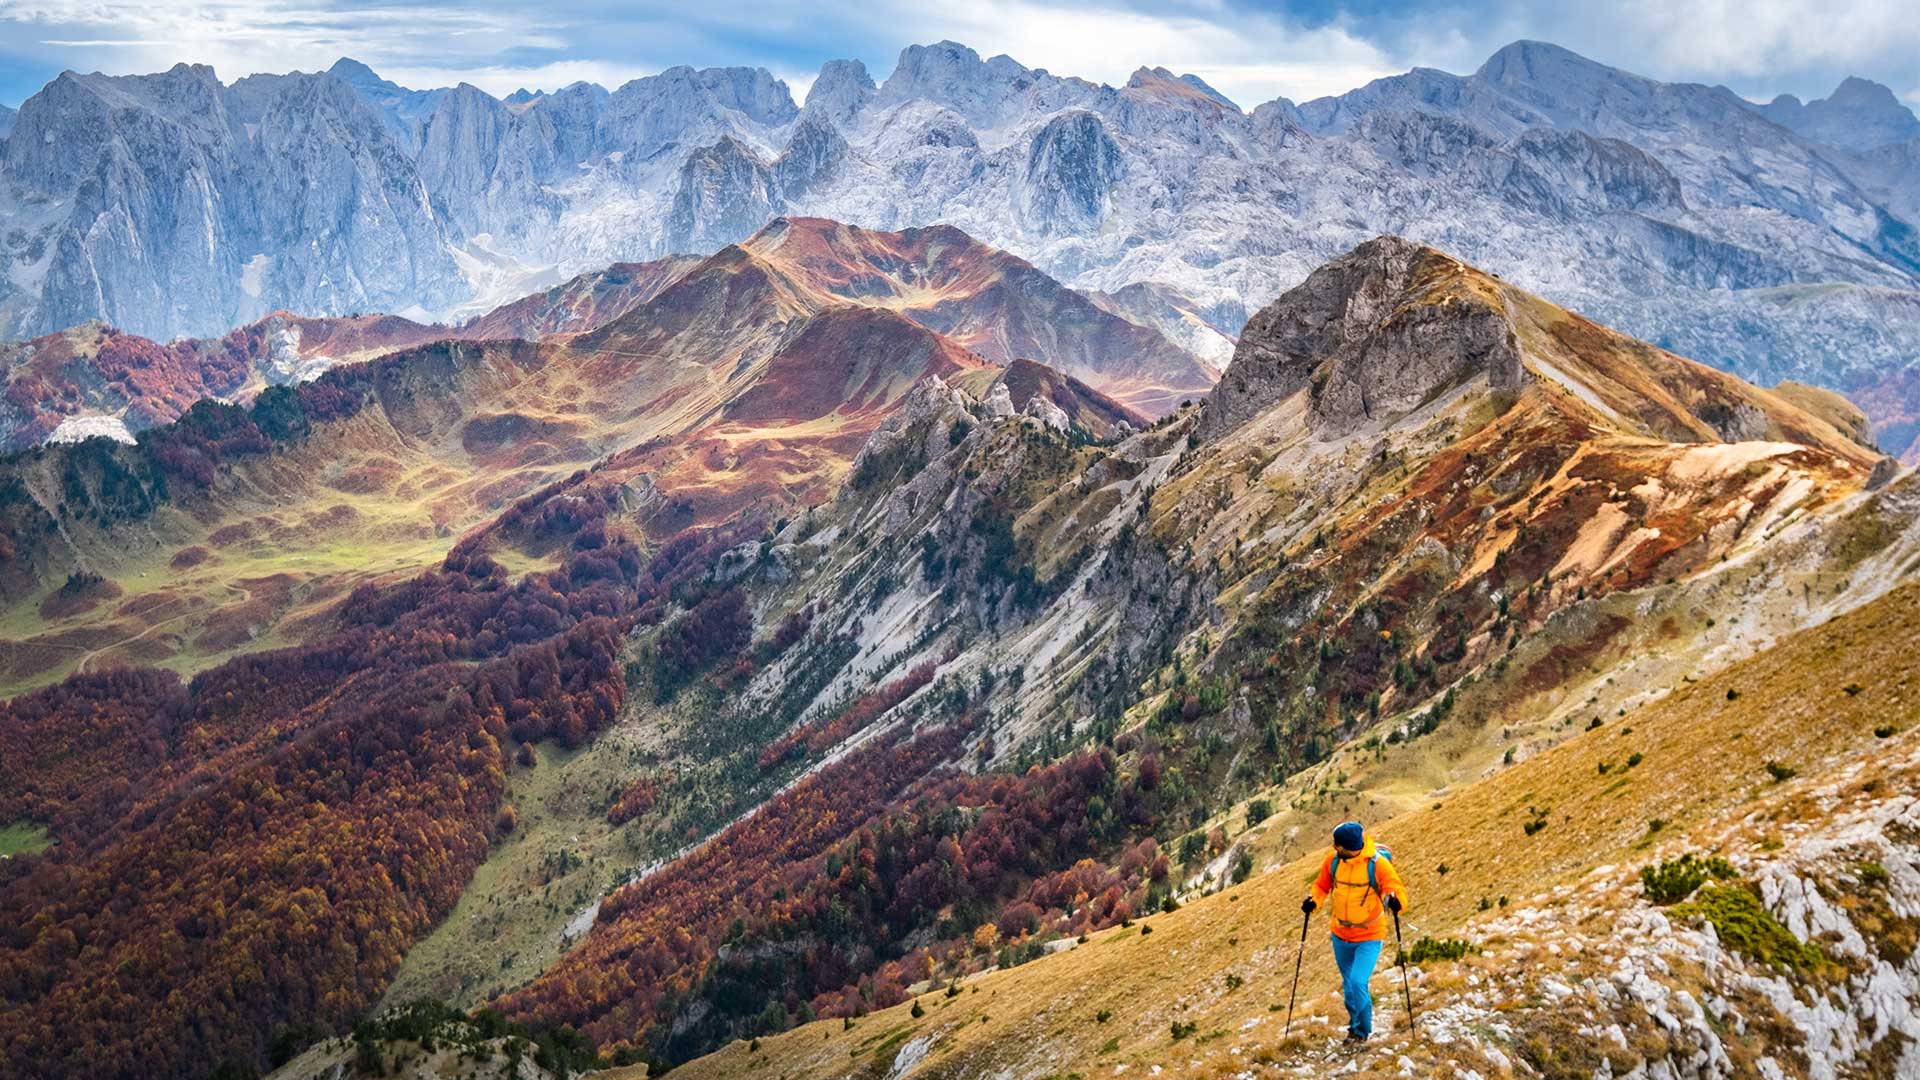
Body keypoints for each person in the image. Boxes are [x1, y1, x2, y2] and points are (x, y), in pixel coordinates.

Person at [1299, 821, 1407, 1042]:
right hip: (1340, 933)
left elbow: (1395, 888)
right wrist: (1314, 901)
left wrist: (1397, 903)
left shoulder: (1376, 865)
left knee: (1358, 982)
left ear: (1346, 847)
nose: (1333, 847)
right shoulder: (1333, 861)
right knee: (1349, 986)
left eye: (1336, 844)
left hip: (1369, 934)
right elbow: (1321, 886)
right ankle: (1354, 1025)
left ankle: (1361, 1031)